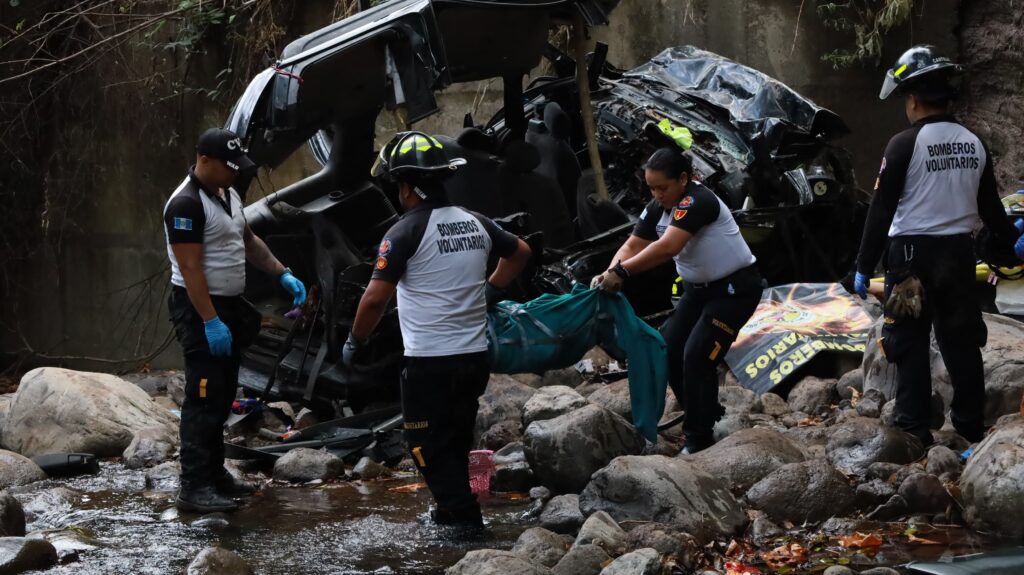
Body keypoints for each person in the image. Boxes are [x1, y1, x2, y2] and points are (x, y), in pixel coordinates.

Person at [341, 131, 531, 528]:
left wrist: (355, 339)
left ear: (407, 187)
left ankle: (464, 522)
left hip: (430, 363)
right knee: (456, 439)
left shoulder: (404, 233)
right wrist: (491, 290)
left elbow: (375, 300)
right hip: (474, 357)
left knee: (425, 445)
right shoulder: (475, 222)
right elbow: (521, 252)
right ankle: (449, 512)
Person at [852, 45, 1020, 447]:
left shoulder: (903, 145)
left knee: (907, 340)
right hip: (959, 257)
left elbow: (881, 211)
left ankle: (913, 428)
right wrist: (1013, 242)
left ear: (912, 100)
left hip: (910, 259)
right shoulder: (973, 142)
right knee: (962, 341)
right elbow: (990, 209)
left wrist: (861, 265)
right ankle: (968, 429)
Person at [163, 128, 307, 512]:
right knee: (204, 396)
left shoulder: (227, 194)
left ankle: (215, 474)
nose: (235, 174)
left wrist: (282, 272)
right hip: (199, 308)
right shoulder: (186, 206)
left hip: (227, 305)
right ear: (204, 160)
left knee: (225, 393)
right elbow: (190, 269)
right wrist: (210, 320)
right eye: (229, 167)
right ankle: (193, 486)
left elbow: (247, 240)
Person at [593, 148, 763, 454]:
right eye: (652, 188)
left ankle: (698, 439)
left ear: (683, 179)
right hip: (698, 291)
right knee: (667, 348)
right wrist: (609, 271)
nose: (657, 194)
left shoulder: (698, 201)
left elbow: (668, 247)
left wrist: (622, 272)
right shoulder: (660, 205)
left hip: (734, 290)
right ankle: (705, 413)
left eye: (662, 187)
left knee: (698, 355)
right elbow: (633, 244)